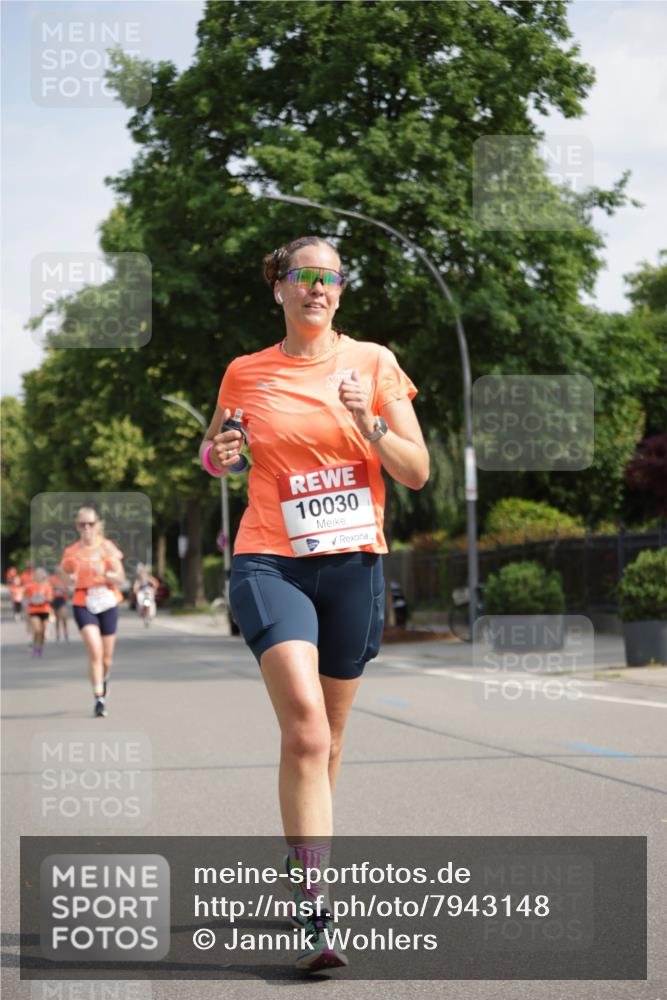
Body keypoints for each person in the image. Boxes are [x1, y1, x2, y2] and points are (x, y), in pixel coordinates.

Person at [199, 236, 429, 972]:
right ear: (280, 288)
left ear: (339, 291)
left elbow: (417, 471)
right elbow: (218, 449)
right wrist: (219, 456)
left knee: (328, 740)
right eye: (303, 276)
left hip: (353, 564)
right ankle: (314, 909)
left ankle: (304, 863)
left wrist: (371, 421)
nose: (317, 287)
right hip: (271, 558)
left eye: (329, 277)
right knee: (303, 729)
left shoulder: (373, 363)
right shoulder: (246, 371)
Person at [58, 507, 126, 718]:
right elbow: (64, 577)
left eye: (90, 523)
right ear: (77, 526)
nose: (86, 528)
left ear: (97, 524)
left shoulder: (107, 547)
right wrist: (69, 579)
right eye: (82, 524)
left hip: (107, 600)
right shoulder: (71, 552)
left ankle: (103, 680)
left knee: (107, 659)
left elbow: (120, 577)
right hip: (83, 601)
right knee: (95, 651)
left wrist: (105, 574)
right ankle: (99, 699)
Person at [24, 568, 53, 657]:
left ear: (43, 576)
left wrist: (43, 597)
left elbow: (51, 599)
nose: (38, 576)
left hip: (44, 610)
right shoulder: (30, 586)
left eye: (40, 574)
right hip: (33, 610)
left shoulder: (47, 586)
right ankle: (35, 647)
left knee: (42, 631)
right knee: (37, 629)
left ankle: (40, 647)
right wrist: (29, 602)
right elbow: (25, 599)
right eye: (37, 574)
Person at [48, 570, 70, 641]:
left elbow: (67, 588)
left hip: (62, 599)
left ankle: (66, 634)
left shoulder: (64, 578)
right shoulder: (51, 579)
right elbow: (48, 587)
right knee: (57, 618)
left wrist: (64, 589)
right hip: (55, 600)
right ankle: (58, 634)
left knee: (64, 617)